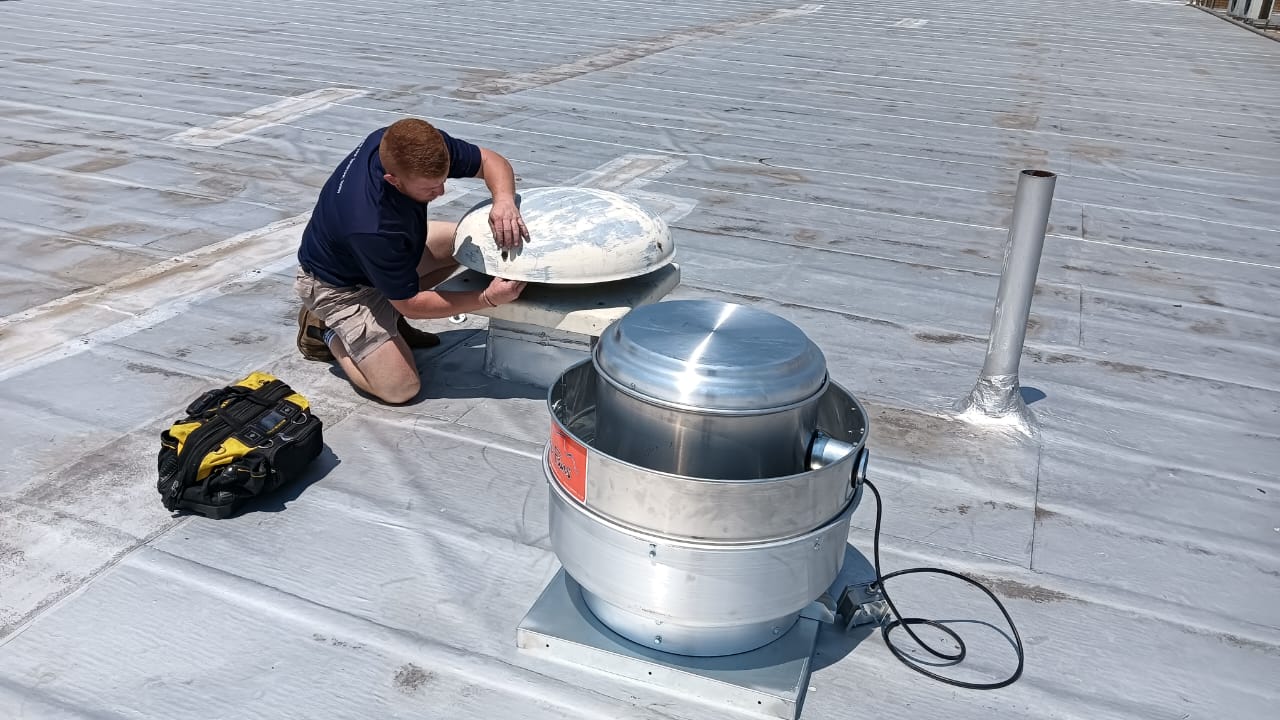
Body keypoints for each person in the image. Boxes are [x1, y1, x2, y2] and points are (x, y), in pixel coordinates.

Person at [294, 118, 529, 404]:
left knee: (474, 241)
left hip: (386, 255)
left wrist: (504, 200)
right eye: (429, 189)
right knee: (400, 388)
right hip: (340, 289)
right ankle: (327, 330)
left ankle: (388, 318)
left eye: (443, 181)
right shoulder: (370, 224)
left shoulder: (407, 144)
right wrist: (487, 298)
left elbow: (489, 160)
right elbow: (412, 305)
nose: (441, 192)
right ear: (392, 180)